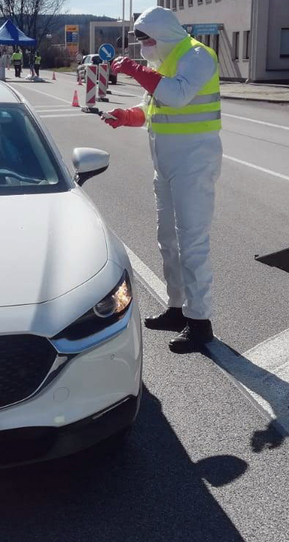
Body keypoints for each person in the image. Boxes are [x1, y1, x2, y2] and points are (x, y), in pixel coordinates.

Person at [104, 7, 222, 353]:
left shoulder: (198, 56)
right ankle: (177, 309)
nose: (144, 47)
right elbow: (151, 108)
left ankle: (200, 322)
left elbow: (177, 95)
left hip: (194, 160)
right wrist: (125, 116)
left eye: (148, 39)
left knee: (192, 241)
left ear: (165, 35)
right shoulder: (163, 63)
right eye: (140, 41)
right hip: (167, 161)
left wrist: (138, 72)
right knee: (168, 239)